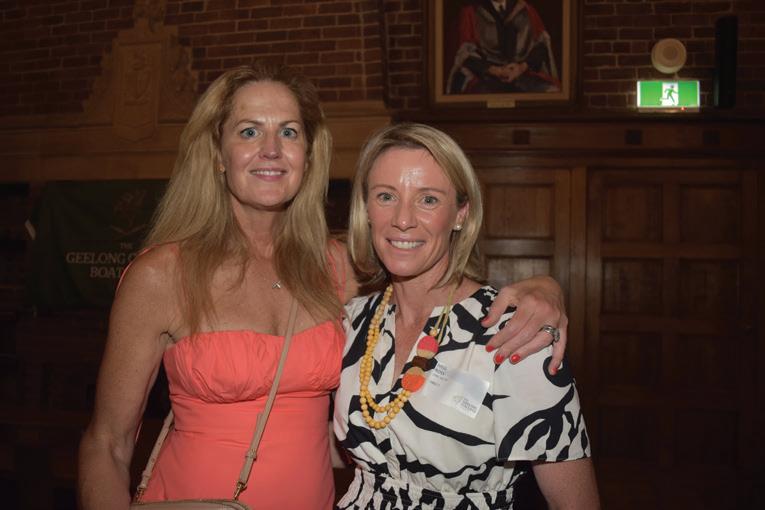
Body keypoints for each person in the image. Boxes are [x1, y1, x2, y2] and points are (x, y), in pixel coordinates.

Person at [77, 64, 569, 510]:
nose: (271, 149)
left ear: (308, 156)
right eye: (249, 131)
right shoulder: (162, 276)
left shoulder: (340, 267)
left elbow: (433, 278)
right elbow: (107, 444)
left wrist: (546, 288)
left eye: (289, 132)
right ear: (217, 154)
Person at [334, 123, 599, 509]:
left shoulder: (514, 330)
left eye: (428, 199)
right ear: (367, 209)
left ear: (460, 213)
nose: (403, 219)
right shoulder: (355, 321)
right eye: (386, 196)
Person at [447, 0, 561, 94]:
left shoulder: (526, 10)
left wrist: (521, 67)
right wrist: (495, 70)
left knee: (551, 92)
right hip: (485, 77)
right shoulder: (471, 12)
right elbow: (465, 55)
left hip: (523, 74)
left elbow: (541, 47)